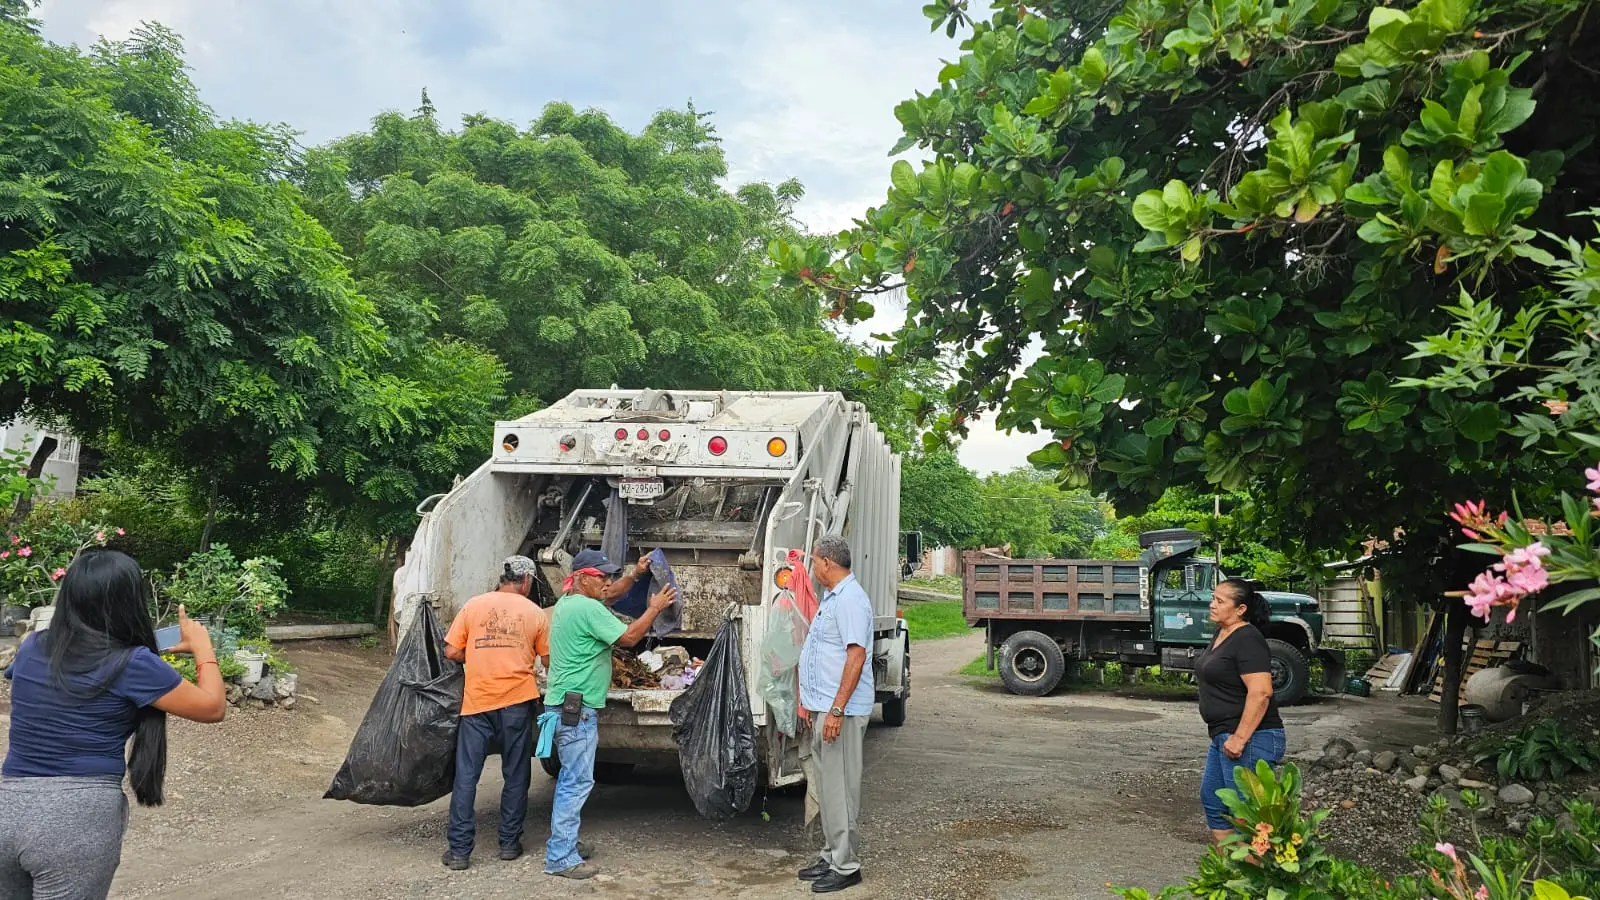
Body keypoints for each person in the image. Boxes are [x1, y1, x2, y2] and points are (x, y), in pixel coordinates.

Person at [1, 549, 227, 899]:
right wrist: (202, 648)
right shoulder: (134, 664)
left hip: (8, 806)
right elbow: (212, 707)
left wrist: (157, 651)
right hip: (76, 817)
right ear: (129, 601)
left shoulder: (34, 646)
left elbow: (82, 662)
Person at [542, 549, 676, 880]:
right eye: (602, 577)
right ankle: (560, 856)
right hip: (577, 709)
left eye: (610, 577)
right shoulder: (588, 608)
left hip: (564, 705)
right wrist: (654, 608)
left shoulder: (569, 603)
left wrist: (635, 574)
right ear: (584, 578)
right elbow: (630, 638)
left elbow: (610, 595)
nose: (608, 583)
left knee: (573, 778)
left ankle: (566, 842)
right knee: (576, 781)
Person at [440, 555, 552, 870]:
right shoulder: (535, 613)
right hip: (517, 703)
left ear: (502, 578)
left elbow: (451, 650)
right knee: (516, 774)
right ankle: (508, 844)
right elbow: (547, 658)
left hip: (476, 705)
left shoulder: (473, 605)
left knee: (467, 777)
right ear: (527, 581)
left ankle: (460, 852)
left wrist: (475, 655)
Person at [796, 534, 874, 894]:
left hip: (839, 711)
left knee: (840, 790)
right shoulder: (833, 599)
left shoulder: (851, 601)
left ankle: (846, 865)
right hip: (823, 708)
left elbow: (856, 657)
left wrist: (837, 710)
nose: (813, 567)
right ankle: (831, 855)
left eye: (814, 561)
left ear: (827, 562)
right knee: (827, 789)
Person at [1195, 577, 1286, 845]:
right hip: (1224, 735)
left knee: (1247, 816)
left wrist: (1240, 738)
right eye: (1213, 598)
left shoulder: (1247, 638)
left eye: (1220, 601)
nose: (1212, 604)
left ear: (1240, 609)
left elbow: (1261, 692)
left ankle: (1258, 881)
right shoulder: (1223, 633)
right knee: (1214, 802)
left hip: (1250, 738)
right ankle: (1235, 875)